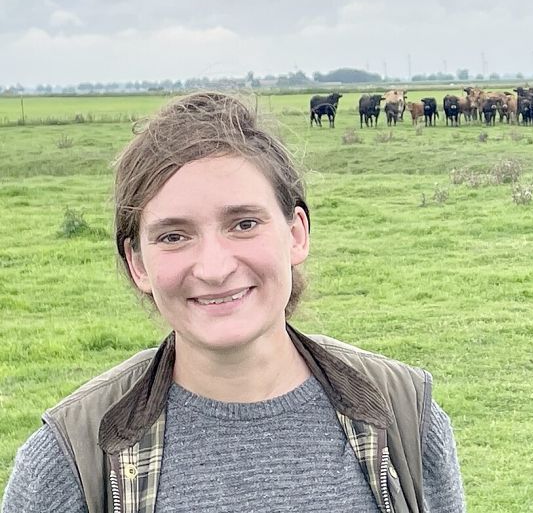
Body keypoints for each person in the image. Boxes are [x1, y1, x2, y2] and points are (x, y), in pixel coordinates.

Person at [1, 92, 465, 513]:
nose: (214, 268)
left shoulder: (404, 418)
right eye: (174, 236)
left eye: (243, 224)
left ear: (296, 234)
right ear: (137, 263)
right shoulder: (74, 457)